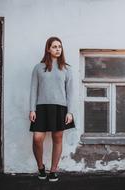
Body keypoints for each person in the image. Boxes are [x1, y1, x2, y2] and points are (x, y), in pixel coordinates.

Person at [29, 36, 75, 182]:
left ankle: (53, 170)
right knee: (37, 138)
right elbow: (33, 90)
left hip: (60, 108)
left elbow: (71, 92)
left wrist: (70, 112)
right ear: (48, 49)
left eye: (59, 46)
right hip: (41, 108)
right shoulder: (38, 68)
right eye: (54, 46)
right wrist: (32, 109)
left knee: (57, 138)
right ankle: (41, 167)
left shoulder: (67, 69)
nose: (57, 49)